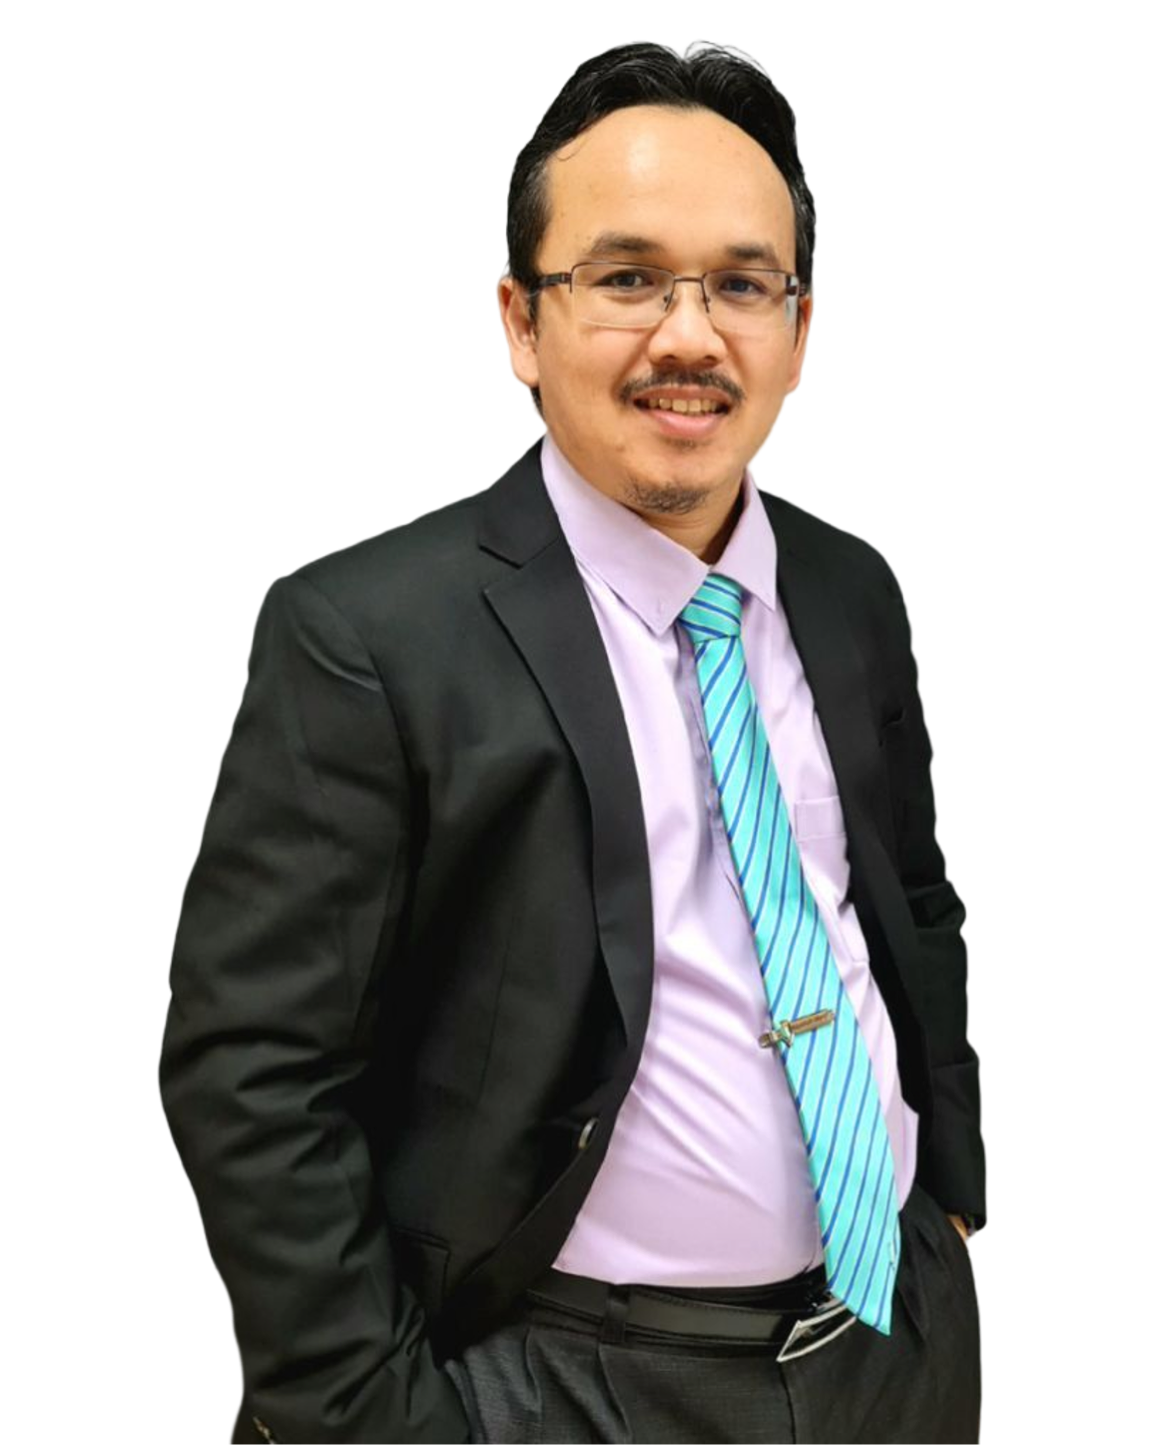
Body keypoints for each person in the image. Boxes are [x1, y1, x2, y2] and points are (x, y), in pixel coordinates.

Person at [159, 40, 985, 1445]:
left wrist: (949, 1188)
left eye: (743, 284)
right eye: (626, 279)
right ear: (522, 322)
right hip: (557, 1381)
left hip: (887, 1358)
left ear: (798, 329)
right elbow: (255, 1072)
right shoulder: (368, 637)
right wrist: (375, 1420)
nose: (690, 335)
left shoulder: (850, 593)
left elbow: (908, 901)